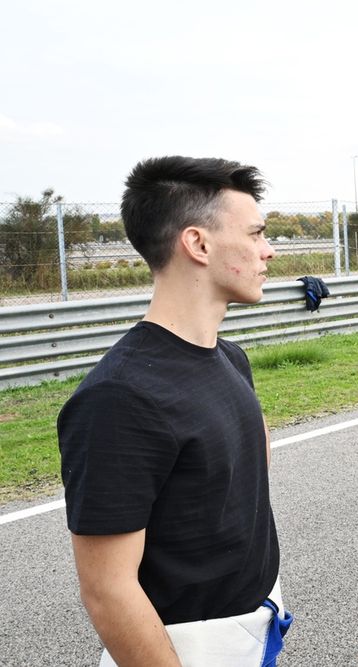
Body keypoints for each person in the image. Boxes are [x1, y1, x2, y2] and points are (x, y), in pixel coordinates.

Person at [58, 156, 292, 666]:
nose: (268, 250)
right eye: (256, 234)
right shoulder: (118, 399)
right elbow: (108, 592)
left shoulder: (230, 358)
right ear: (198, 244)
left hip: (255, 633)